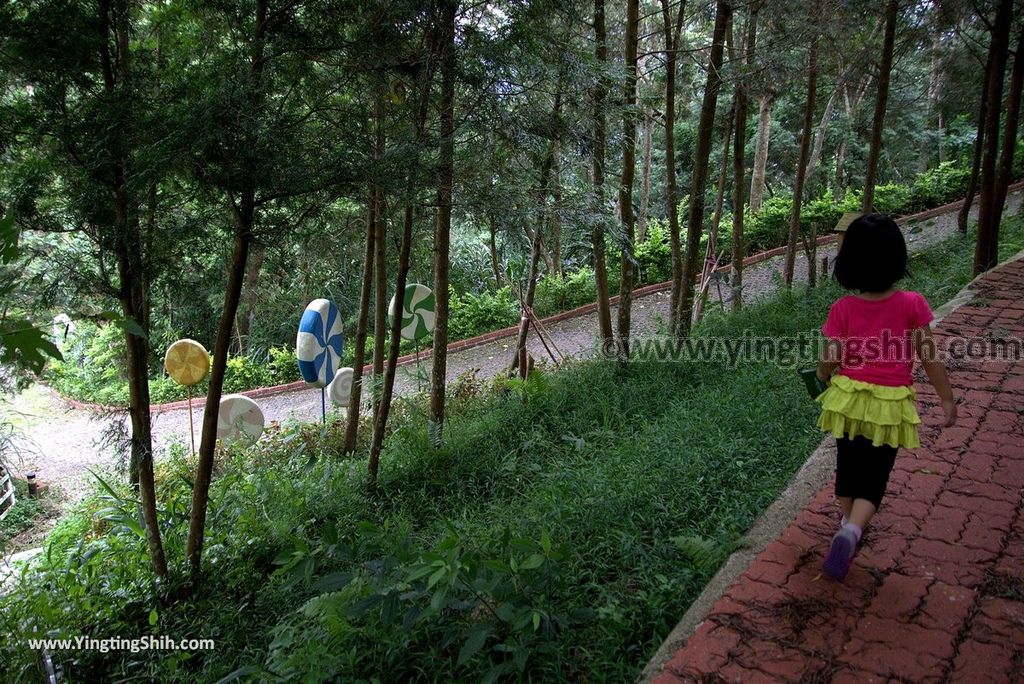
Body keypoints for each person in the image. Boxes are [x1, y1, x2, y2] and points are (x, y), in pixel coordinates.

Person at [815, 213, 958, 581]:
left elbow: (830, 357)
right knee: (875, 476)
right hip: (890, 403)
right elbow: (929, 356)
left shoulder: (843, 309)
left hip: (849, 401)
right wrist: (946, 398)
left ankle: (845, 525)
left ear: (849, 263)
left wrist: (821, 375)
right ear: (897, 258)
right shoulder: (912, 304)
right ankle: (851, 531)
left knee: (848, 469)